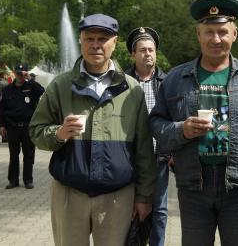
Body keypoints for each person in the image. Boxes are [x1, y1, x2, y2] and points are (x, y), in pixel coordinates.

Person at [150, 0, 238, 246]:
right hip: (193, 187)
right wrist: (182, 130)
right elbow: (155, 124)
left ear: (235, 33)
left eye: (222, 32)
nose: (216, 39)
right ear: (198, 34)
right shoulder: (176, 79)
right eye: (208, 32)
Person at [29, 13, 156, 246]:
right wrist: (59, 134)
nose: (95, 44)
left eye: (102, 39)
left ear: (115, 42)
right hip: (69, 193)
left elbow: (144, 149)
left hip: (118, 196)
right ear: (80, 40)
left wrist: (145, 196)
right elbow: (36, 131)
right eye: (89, 38)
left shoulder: (132, 89)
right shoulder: (61, 85)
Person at [125, 26, 168, 246]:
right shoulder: (120, 83)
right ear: (133, 54)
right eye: (142, 50)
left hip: (159, 158)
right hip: (130, 159)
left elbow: (174, 119)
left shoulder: (167, 82)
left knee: (159, 212)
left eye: (151, 49)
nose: (148, 54)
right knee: (129, 211)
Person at [0, 63, 44, 189]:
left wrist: (30, 78)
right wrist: (1, 125)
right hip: (12, 127)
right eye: (18, 73)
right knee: (13, 155)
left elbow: (42, 91)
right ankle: (13, 180)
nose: (20, 75)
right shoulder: (7, 90)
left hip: (28, 127)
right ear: (14, 73)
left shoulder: (31, 87)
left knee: (29, 155)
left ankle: (28, 180)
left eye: (22, 73)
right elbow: (1, 109)